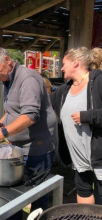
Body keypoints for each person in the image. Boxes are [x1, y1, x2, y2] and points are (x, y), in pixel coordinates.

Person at [0, 47, 58, 213]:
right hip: (19, 146)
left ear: (8, 61)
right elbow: (13, 109)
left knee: (38, 194)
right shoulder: (8, 78)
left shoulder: (28, 79)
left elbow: (30, 116)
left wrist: (0, 134)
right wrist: (1, 124)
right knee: (15, 195)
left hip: (38, 147)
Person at [50, 47, 102, 204]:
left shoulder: (99, 81)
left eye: (64, 63)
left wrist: (87, 116)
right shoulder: (64, 90)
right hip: (79, 160)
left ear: (75, 63)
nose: (62, 67)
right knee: (83, 191)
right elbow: (43, 102)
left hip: (100, 157)